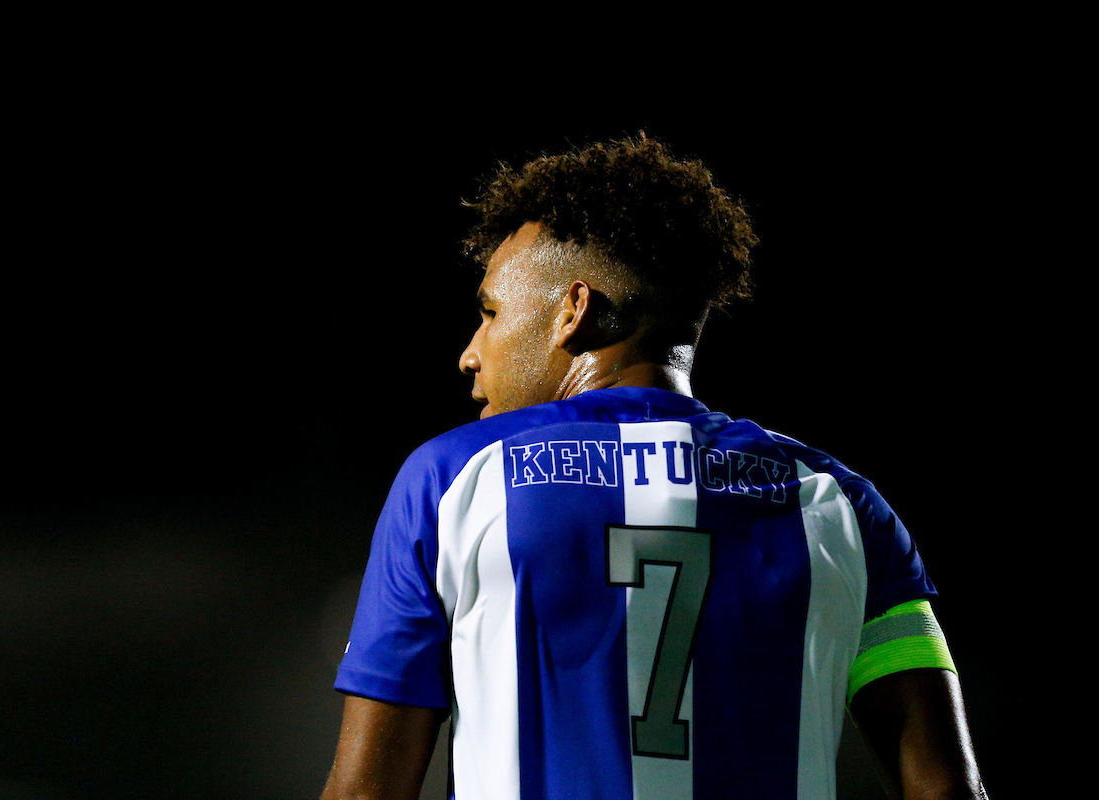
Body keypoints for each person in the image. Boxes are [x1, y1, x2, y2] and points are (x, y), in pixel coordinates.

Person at [321, 135, 987, 800]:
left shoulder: (451, 480)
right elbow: (947, 790)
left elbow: (364, 793)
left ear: (572, 311)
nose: (471, 353)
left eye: (490, 313)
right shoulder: (844, 507)